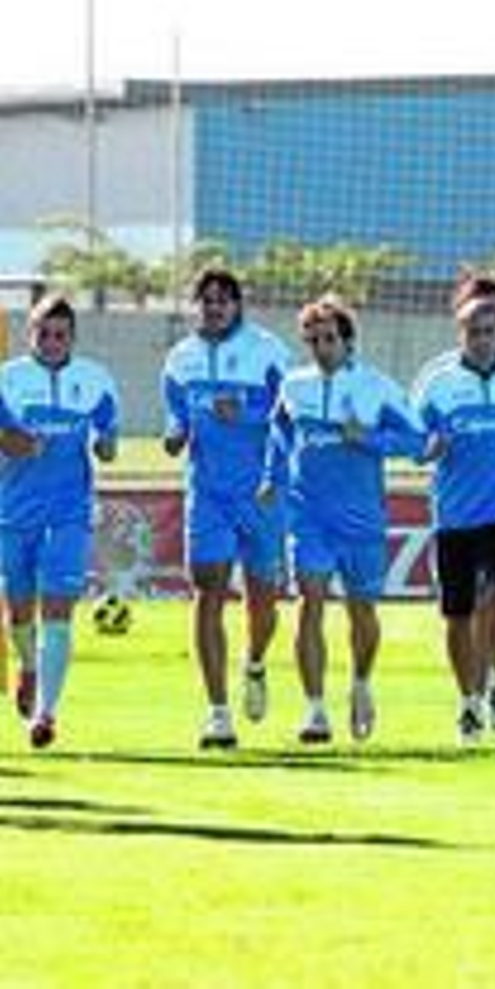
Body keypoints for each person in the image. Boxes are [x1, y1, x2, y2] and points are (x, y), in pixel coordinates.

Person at [260, 295, 425, 744]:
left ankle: (361, 684)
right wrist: (271, 477)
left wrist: (368, 438)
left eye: (329, 339)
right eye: (313, 340)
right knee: (309, 601)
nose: (321, 348)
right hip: (309, 517)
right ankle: (315, 711)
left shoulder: (377, 387)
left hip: (361, 521)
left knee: (362, 610)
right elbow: (279, 431)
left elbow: (418, 441)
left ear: (348, 341)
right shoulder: (294, 386)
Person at [161, 267, 290, 749]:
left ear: (237, 305)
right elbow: (176, 415)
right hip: (208, 495)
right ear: (196, 306)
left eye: (223, 299)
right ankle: (218, 714)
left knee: (263, 599)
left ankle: (254, 663)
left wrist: (248, 414)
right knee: (208, 588)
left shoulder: (268, 351)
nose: (214, 307)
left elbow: (291, 417)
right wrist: (175, 433)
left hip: (261, 494)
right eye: (206, 300)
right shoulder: (180, 359)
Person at [413, 275, 495, 744]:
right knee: (459, 614)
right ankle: (468, 702)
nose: (483, 339)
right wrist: (428, 447)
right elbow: (413, 438)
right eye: (474, 332)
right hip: (455, 515)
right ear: (460, 332)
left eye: (490, 331)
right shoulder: (436, 382)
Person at [0, 295, 118, 748]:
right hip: (13, 513)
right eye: (44, 334)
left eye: (60, 335)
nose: (52, 342)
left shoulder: (95, 380)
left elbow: (108, 433)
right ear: (30, 334)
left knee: (57, 609)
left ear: (72, 338)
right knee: (18, 610)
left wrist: (107, 446)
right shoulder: (8, 380)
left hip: (69, 513)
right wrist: (15, 443)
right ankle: (29, 665)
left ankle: (46, 714)